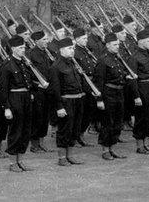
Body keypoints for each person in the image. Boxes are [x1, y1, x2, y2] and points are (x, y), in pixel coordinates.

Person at [0, 35, 38, 172]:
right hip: (14, 98)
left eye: (24, 47)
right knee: (16, 130)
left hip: (25, 97)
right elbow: (3, 89)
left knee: (25, 130)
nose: (23, 50)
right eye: (20, 48)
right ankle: (12, 162)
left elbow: (28, 81)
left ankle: (20, 160)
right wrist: (6, 108)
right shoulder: (7, 64)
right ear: (13, 48)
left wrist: (30, 92)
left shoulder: (23, 63)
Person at [48, 37, 88, 166]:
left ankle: (70, 155)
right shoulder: (56, 67)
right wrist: (59, 107)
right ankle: (61, 158)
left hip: (77, 100)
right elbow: (55, 89)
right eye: (69, 48)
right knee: (65, 130)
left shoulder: (72, 63)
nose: (72, 51)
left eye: (73, 48)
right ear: (61, 50)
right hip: (66, 102)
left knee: (75, 130)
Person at [93, 32, 132, 161]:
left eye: (118, 45)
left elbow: (120, 74)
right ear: (108, 45)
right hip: (108, 94)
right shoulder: (103, 60)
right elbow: (98, 82)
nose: (117, 47)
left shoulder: (117, 58)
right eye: (115, 45)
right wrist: (99, 100)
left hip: (119, 93)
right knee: (107, 122)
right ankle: (105, 150)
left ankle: (112, 148)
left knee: (117, 122)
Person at [25, 30, 54, 153]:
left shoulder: (47, 53)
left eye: (46, 39)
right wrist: (33, 88)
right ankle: (34, 144)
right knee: (37, 116)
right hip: (37, 89)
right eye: (43, 40)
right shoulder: (31, 54)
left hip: (47, 89)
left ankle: (42, 142)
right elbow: (28, 73)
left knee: (45, 116)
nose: (46, 42)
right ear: (36, 41)